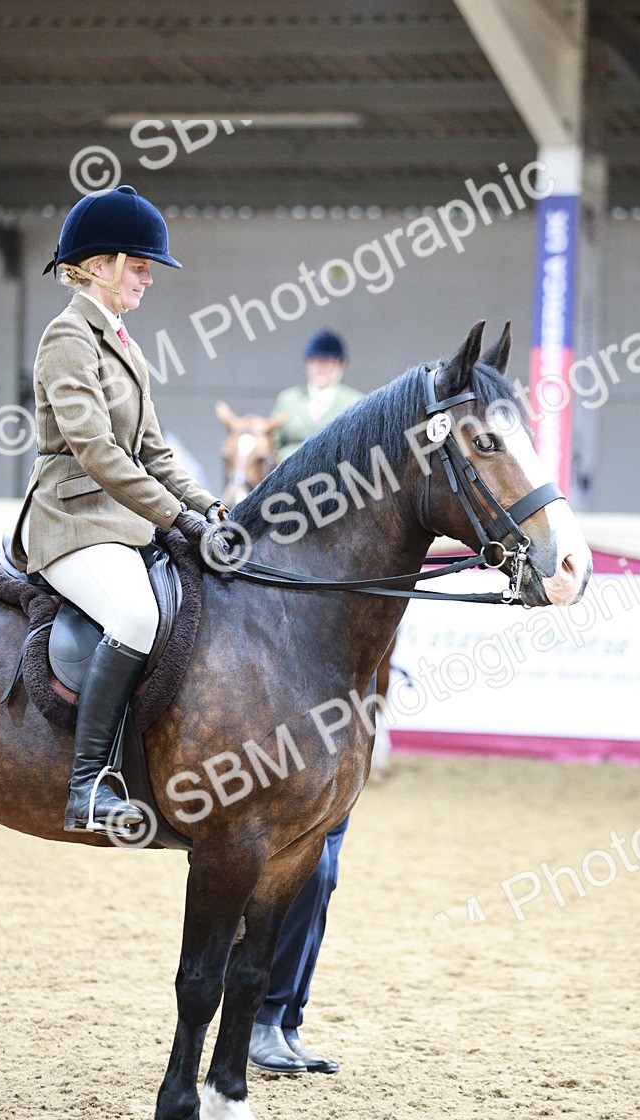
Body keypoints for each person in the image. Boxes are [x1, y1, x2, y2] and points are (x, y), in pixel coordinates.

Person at [10, 185, 229, 834]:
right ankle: (87, 787)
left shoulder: (126, 345)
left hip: (123, 521)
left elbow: (155, 450)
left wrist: (211, 509)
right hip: (71, 522)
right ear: (99, 265)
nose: (148, 278)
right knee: (133, 615)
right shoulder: (66, 338)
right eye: (138, 265)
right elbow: (100, 453)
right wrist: (175, 519)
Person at [248, 330, 361, 1077]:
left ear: (339, 367)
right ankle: (261, 1016)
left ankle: (284, 1016)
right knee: (301, 859)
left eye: (326, 360)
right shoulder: (288, 407)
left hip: (340, 577)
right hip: (288, 559)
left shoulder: (355, 412)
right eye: (314, 359)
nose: (318, 368)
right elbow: (262, 456)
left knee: (325, 864)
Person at [270, 329, 363, 461]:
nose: (321, 368)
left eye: (328, 362)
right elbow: (272, 443)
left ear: (340, 365)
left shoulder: (356, 402)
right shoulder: (288, 399)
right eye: (315, 361)